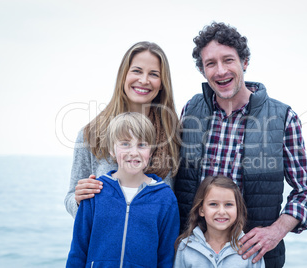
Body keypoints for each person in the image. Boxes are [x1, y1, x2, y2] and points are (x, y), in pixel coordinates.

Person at [174, 22, 307, 267]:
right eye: (211, 63)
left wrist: (275, 231)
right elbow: (166, 173)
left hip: (251, 258)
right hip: (191, 255)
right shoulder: (191, 110)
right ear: (203, 70)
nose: (220, 71)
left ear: (245, 62)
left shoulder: (283, 118)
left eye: (228, 60)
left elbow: (306, 190)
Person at [64, 41, 180, 219]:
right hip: (104, 244)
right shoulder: (92, 134)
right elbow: (71, 198)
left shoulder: (174, 135)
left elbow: (180, 204)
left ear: (162, 83)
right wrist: (80, 201)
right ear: (123, 75)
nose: (144, 80)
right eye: (137, 71)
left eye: (154, 74)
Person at [66, 112, 180, 267]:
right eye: (125, 144)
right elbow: (78, 251)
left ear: (151, 152)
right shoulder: (95, 192)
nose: (134, 152)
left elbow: (166, 257)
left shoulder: (165, 198)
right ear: (112, 150)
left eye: (142, 145)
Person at [174, 175, 265, 268]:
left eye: (228, 204)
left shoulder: (250, 249)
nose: (221, 212)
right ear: (201, 210)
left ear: (238, 209)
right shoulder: (186, 247)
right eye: (213, 204)